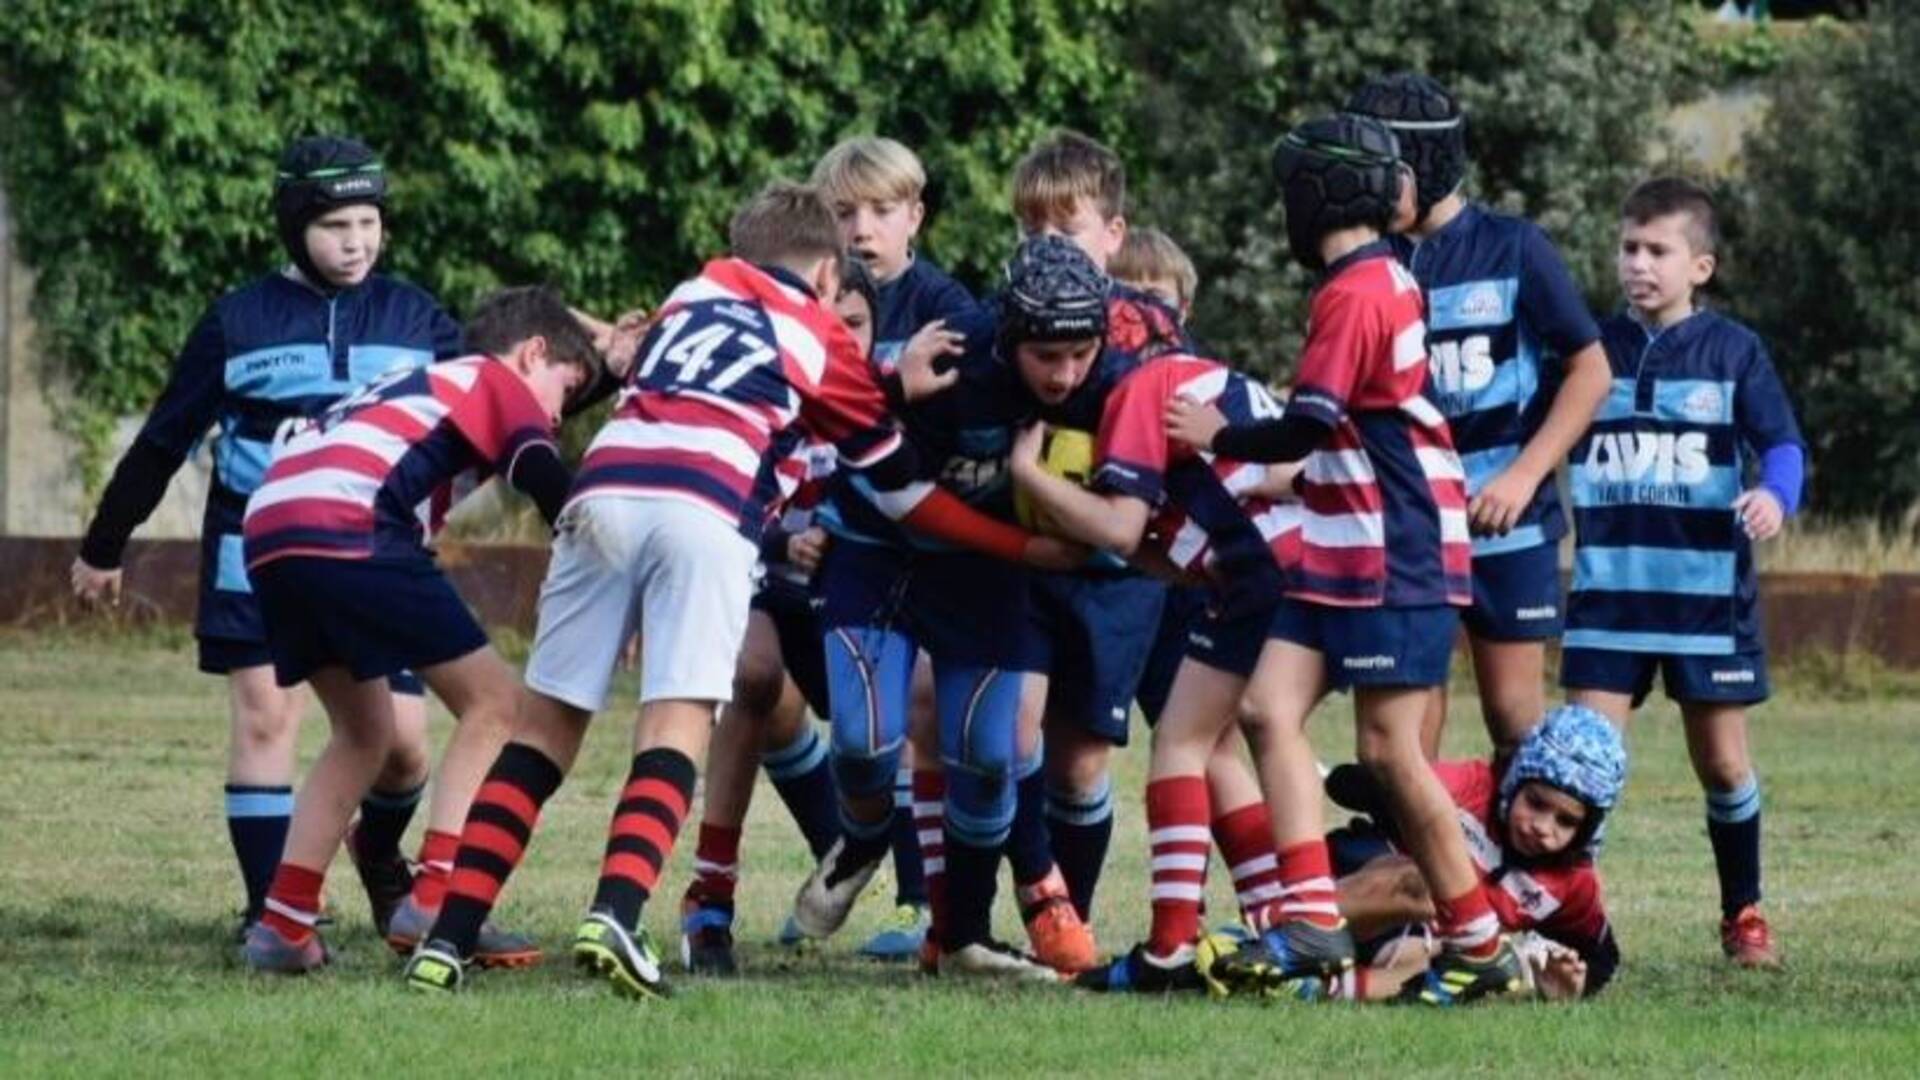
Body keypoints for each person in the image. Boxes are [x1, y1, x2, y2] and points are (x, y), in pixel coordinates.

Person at [401, 181, 1081, 999]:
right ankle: (615, 914)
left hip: (601, 493)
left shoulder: (697, 289)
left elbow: (749, 389)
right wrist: (1026, 544)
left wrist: (887, 386)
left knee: (544, 729)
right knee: (677, 718)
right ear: (828, 278)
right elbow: (900, 492)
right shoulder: (822, 339)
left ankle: (445, 941)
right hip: (704, 503)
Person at [1165, 114, 1524, 1006]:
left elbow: (1313, 417)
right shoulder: (1368, 281)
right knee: (1264, 706)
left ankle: (1480, 944)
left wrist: (1223, 438)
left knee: (1390, 754)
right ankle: (1313, 922)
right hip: (1343, 545)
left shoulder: (1359, 289)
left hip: (1393, 549)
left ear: (1313, 196)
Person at [69, 136, 462, 941]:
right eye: (334, 225)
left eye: (369, 221)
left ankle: (379, 856)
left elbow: (489, 405)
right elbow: (162, 440)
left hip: (374, 561)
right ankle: (274, 916)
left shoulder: (418, 318)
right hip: (253, 554)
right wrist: (105, 545)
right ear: (293, 227)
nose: (356, 242)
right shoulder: (236, 321)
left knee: (404, 748)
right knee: (264, 719)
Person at [237, 285, 597, 971]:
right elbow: (540, 473)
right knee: (495, 704)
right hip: (348, 520)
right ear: (533, 353)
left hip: (271, 526)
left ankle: (281, 925)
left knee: (364, 732)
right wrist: (602, 539)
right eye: (565, 390)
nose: (556, 414)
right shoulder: (495, 379)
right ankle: (438, 894)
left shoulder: (414, 383)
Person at [792, 235, 1110, 980]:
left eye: (1080, 355)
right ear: (1010, 339)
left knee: (992, 756)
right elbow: (896, 492)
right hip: (879, 551)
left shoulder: (1108, 381)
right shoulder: (955, 362)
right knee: (865, 743)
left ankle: (962, 935)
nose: (1064, 376)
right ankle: (865, 836)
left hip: (982, 576)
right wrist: (1029, 548)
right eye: (1046, 358)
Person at [1560, 177, 1803, 970]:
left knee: (1723, 764)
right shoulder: (1589, 351)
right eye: (1629, 247)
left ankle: (1744, 913)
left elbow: (1785, 448)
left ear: (1700, 266)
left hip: (1706, 605)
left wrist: (1774, 495)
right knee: (1582, 764)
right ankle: (1568, 920)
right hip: (1608, 598)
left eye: (1657, 251)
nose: (1639, 264)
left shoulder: (1735, 350)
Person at [1346, 73, 1612, 760]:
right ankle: (1417, 868)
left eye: (1383, 176)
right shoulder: (1366, 264)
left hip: (1508, 524)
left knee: (1515, 719)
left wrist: (1525, 476)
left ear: (1423, 168)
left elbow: (1593, 370)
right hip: (1407, 527)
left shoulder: (1516, 247)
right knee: (1408, 726)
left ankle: (1531, 867)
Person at [1006, 131, 1192, 926]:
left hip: (1117, 583)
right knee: (1007, 734)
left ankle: (1067, 918)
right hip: (1023, 567)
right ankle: (987, 913)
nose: (1048, 247)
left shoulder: (1149, 335)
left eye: (1068, 229)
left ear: (1112, 236)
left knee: (1078, 767)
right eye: (1032, 231)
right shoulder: (1000, 321)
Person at [677, 260, 880, 976]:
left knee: (897, 720)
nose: (840, 337)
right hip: (765, 581)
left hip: (859, 598)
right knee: (752, 675)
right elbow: (723, 501)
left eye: (855, 325)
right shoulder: (771, 389)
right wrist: (781, 541)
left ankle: (932, 910)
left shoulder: (880, 402)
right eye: (831, 323)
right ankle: (710, 898)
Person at [809, 136, 984, 958]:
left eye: (881, 210)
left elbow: (952, 440)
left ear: (915, 216)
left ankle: (949, 921)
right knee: (857, 743)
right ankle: (863, 834)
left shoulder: (952, 311)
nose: (862, 228)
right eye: (844, 212)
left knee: (975, 745)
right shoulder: (808, 312)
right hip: (858, 551)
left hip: (945, 557)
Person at [1314, 704, 1626, 1001]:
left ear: (1587, 831)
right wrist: (1378, 791)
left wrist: (1571, 983)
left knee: (1487, 961)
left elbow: (1600, 957)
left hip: (1407, 943)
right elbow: (1384, 785)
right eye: (1536, 803)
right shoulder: (1471, 788)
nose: (1543, 827)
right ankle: (1287, 927)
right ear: (1515, 781)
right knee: (1424, 887)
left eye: (1566, 821)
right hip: (1360, 883)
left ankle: (1323, 987)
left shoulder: (1572, 883)